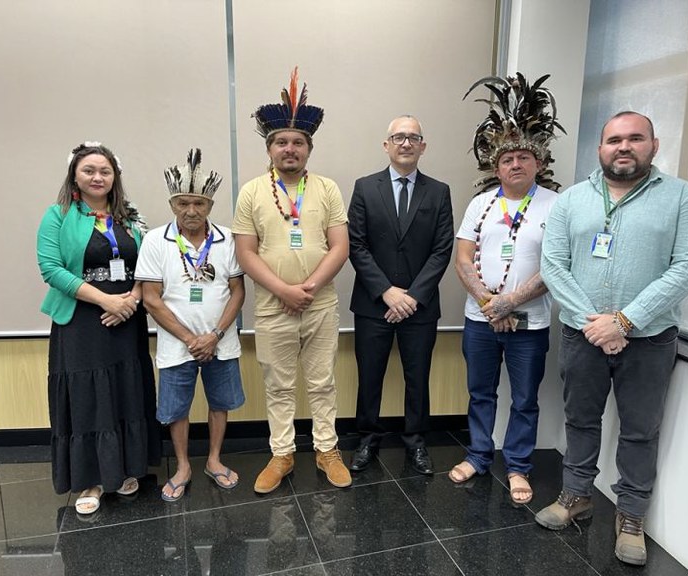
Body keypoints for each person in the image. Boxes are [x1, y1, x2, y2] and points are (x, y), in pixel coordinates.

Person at [535, 111, 688, 566]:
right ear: (600, 148)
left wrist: (625, 322)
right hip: (582, 335)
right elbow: (554, 266)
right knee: (580, 419)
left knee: (639, 430)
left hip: (650, 339)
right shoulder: (571, 201)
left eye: (635, 138)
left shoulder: (682, 199)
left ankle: (631, 516)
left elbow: (687, 268)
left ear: (654, 144)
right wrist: (597, 323)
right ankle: (576, 495)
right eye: (614, 140)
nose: (624, 147)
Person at [232, 67, 351, 493]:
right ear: (270, 148)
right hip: (272, 304)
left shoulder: (327, 188)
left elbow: (339, 246)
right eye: (281, 142)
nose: (290, 148)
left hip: (320, 303)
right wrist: (283, 290)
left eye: (298, 142)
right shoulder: (251, 192)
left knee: (322, 381)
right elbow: (246, 252)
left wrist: (310, 288)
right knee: (278, 384)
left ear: (308, 148)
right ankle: (281, 453)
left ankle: (326, 450)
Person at [448, 73, 564, 504]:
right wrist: (487, 302)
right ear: (496, 167)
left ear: (537, 163)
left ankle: (517, 466)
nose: (515, 164)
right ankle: (478, 455)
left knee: (525, 398)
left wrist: (512, 301)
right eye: (507, 159)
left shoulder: (557, 204)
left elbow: (557, 265)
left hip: (529, 322)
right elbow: (462, 258)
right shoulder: (481, 203)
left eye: (523, 157)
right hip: (480, 319)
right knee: (480, 391)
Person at [37, 141, 161, 515]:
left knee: (125, 390)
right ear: (75, 174)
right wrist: (107, 301)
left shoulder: (129, 216)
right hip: (81, 321)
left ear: (115, 176)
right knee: (88, 397)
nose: (97, 177)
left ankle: (123, 469)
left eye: (105, 171)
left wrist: (131, 300)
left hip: (127, 319)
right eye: (89, 170)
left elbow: (150, 262)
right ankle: (90, 479)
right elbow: (51, 269)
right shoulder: (57, 215)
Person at [136, 149, 245, 501]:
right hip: (175, 345)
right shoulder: (155, 240)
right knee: (176, 408)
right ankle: (182, 465)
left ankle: (214, 460)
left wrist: (213, 336)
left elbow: (238, 291)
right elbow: (151, 298)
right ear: (173, 205)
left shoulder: (228, 239)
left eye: (199, 204)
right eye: (183, 203)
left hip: (221, 341)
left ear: (210, 206)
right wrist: (190, 338)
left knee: (219, 403)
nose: (191, 211)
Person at [347, 115, 454, 475]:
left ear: (423, 146)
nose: (405, 143)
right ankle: (367, 439)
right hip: (373, 303)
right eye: (398, 137)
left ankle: (416, 442)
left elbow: (442, 249)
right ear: (386, 145)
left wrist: (412, 297)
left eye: (413, 137)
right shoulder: (365, 187)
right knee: (370, 375)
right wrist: (387, 292)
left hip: (419, 307)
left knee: (417, 375)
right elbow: (356, 245)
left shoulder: (438, 191)